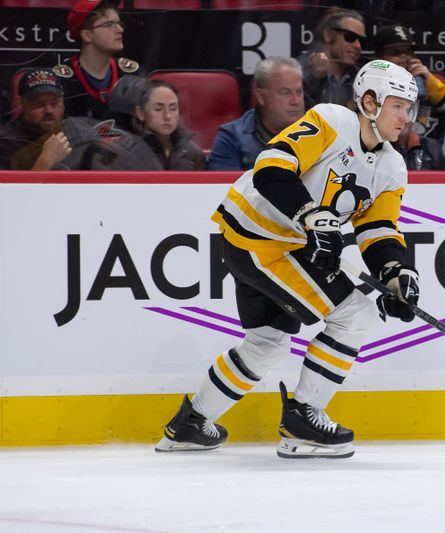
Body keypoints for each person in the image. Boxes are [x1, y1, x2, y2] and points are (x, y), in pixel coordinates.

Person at [155, 60, 422, 459]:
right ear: (369, 101)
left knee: (268, 343)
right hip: (263, 239)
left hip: (275, 245)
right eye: (398, 106)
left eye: (410, 108)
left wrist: (396, 271)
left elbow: (378, 227)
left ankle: (190, 424)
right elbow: (271, 167)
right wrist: (312, 216)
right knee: (356, 314)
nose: (407, 117)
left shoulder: (391, 166)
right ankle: (303, 420)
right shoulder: (331, 121)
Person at [208, 57, 305, 171]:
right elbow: (225, 188)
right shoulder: (232, 138)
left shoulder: (323, 133)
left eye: (299, 92)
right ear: (260, 96)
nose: (296, 101)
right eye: (285, 93)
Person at [372, 24, 445, 141]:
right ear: (379, 57)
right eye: (396, 52)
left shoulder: (425, 84)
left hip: (425, 153)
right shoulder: (369, 85)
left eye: (408, 51)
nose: (404, 56)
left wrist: (430, 83)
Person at [55, 0, 142, 119]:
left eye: (119, 24)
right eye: (109, 25)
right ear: (87, 35)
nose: (120, 30)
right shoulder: (63, 80)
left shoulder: (131, 73)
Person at [0, 68, 72, 170]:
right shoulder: (5, 142)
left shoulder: (76, 130)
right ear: (20, 102)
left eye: (54, 103)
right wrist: (46, 160)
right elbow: (8, 186)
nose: (49, 110)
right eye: (39, 104)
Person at [299, 8, 366, 108]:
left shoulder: (361, 78)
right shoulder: (299, 70)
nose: (358, 46)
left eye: (361, 41)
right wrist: (314, 79)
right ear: (328, 35)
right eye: (350, 37)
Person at [134, 80, 206, 170]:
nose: (167, 116)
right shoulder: (126, 152)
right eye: (158, 109)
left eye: (173, 108)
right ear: (140, 113)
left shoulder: (193, 153)